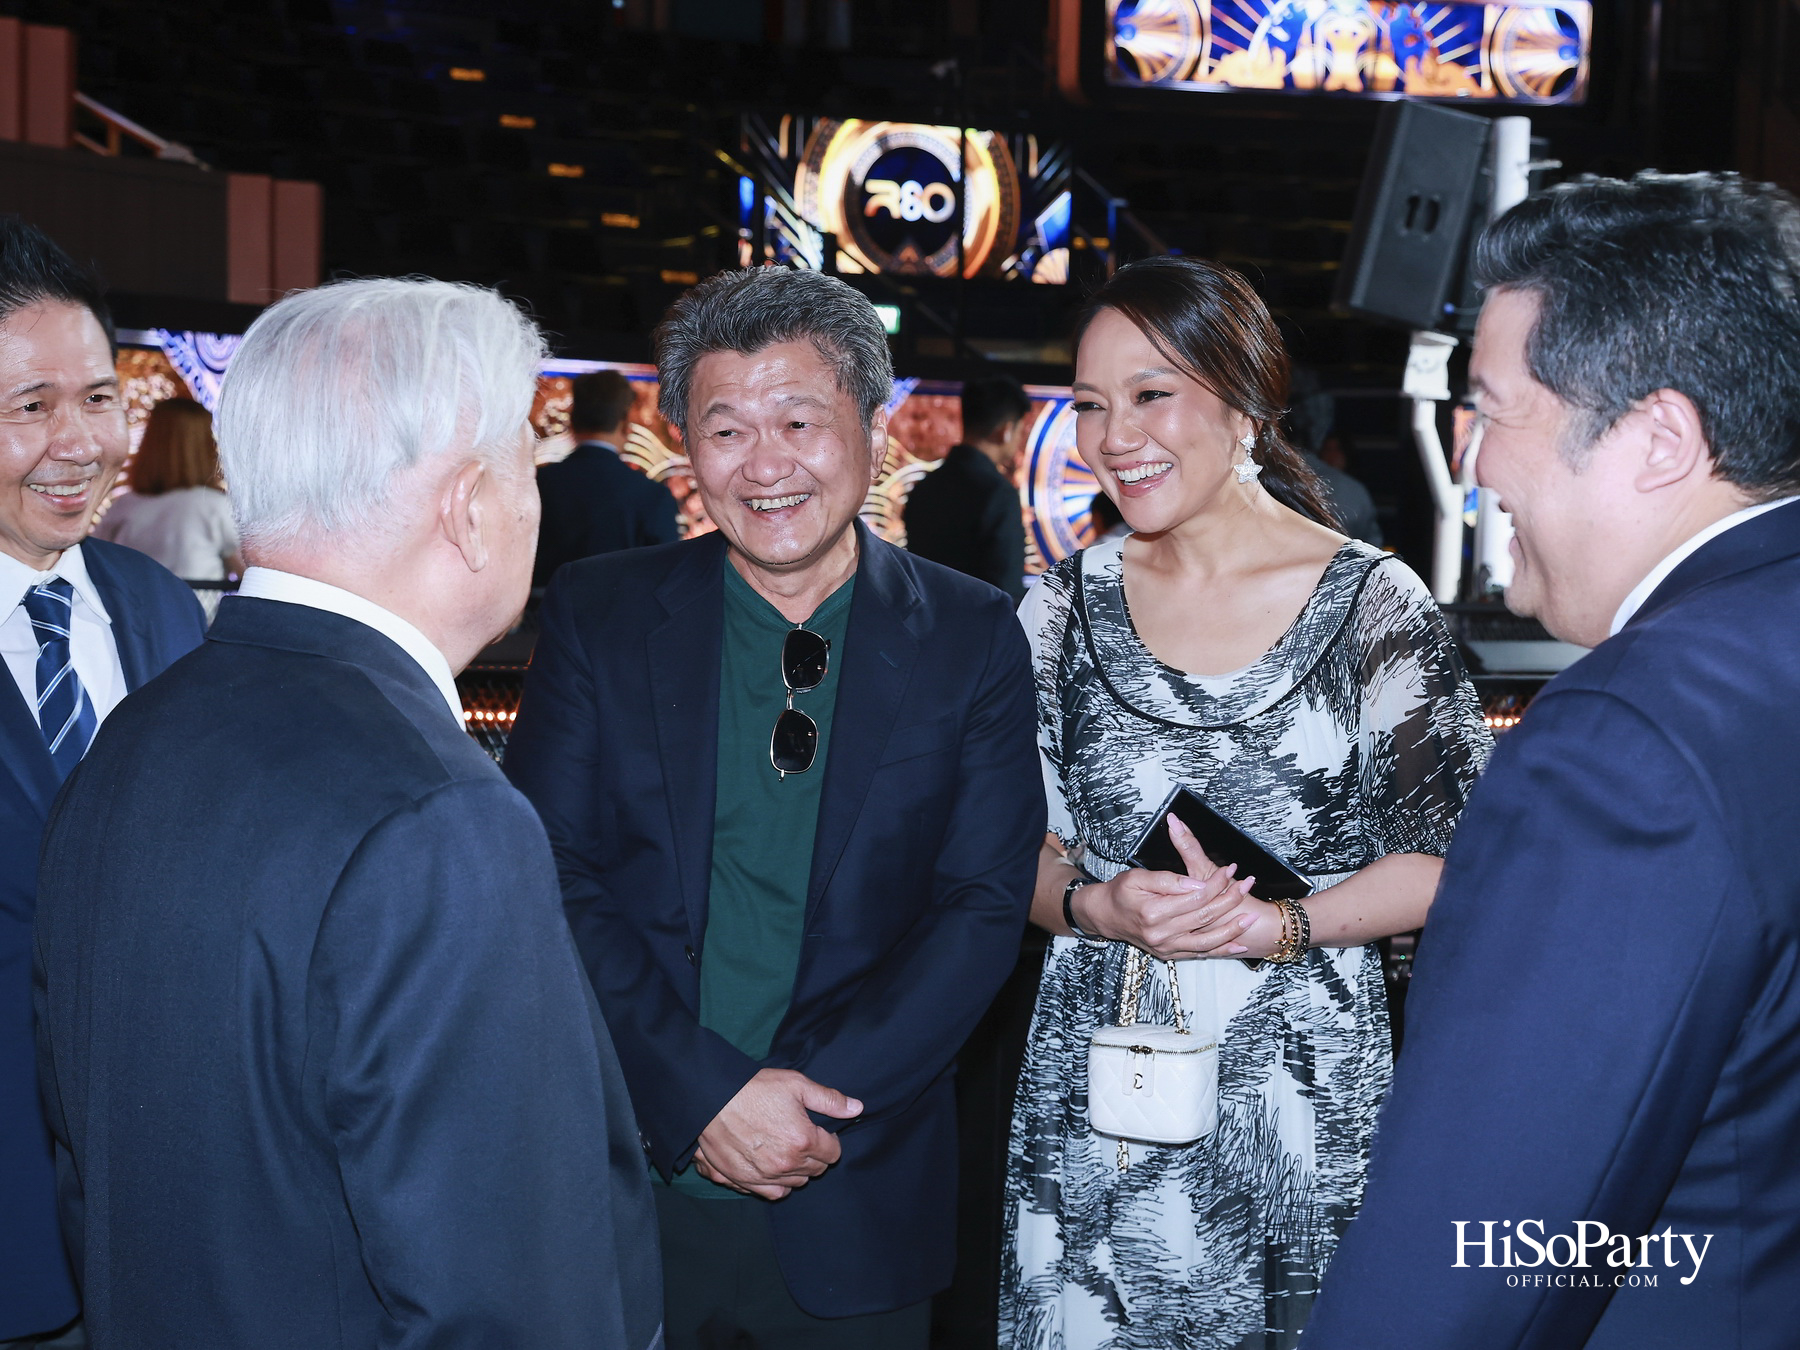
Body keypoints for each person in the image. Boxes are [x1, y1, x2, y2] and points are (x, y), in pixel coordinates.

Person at [33, 278, 661, 1349]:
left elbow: (91, 1171)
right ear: (468, 505)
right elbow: (509, 1303)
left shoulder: (135, 735)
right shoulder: (441, 819)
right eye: (528, 460)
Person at [504, 266, 1044, 1350]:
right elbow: (546, 868)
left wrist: (803, 1109)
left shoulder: (972, 633)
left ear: (875, 434)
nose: (765, 465)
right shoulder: (601, 614)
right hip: (631, 1174)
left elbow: (982, 903)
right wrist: (704, 1095)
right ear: (686, 448)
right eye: (727, 430)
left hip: (855, 1174)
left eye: (799, 421)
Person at [1306, 174, 1800, 1349]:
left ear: (1659, 439)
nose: (1473, 462)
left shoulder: (1626, 742)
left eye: (1492, 410)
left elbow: (1489, 1243)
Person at [1000, 256, 1491, 1350]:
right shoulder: (1056, 613)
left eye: (1151, 394)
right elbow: (1007, 855)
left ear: (1246, 405)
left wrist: (1283, 924)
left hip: (1302, 1097)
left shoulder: (1373, 605)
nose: (1114, 435)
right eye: (1090, 405)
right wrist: (1094, 904)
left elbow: (1452, 860)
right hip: (1101, 1091)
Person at [0, 219, 205, 1347]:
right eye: (30, 407)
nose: (77, 442)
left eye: (96, 398)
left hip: (162, 1215)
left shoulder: (160, 604)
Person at [93, 396, 242, 618]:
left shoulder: (123, 507)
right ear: (205, 446)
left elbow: (94, 566)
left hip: (132, 628)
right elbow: (251, 574)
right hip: (193, 629)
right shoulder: (215, 507)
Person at [533, 367, 680, 586]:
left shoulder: (539, 485)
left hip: (545, 607)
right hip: (625, 608)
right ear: (626, 424)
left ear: (572, 421)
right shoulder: (653, 496)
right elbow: (668, 577)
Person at [903, 372, 1030, 601]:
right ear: (1006, 431)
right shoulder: (998, 494)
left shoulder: (925, 488)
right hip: (978, 620)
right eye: (1020, 431)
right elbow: (1006, 589)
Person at [1288, 365, 1383, 546]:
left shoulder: (1352, 492)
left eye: (1337, 449)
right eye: (1329, 448)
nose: (1332, 454)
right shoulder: (1353, 492)